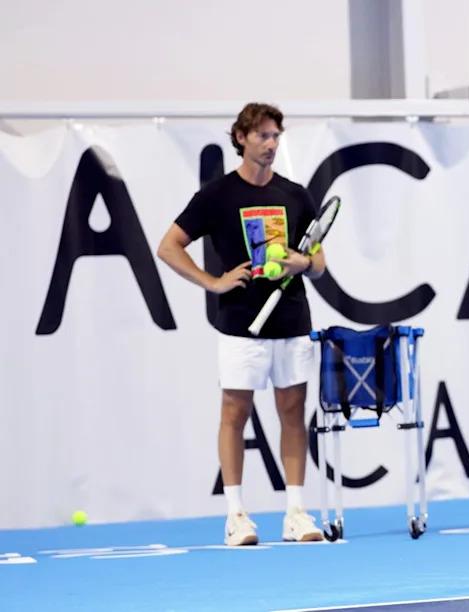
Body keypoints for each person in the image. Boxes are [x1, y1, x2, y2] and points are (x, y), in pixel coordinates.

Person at [157, 102, 326, 546]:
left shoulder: (295, 195)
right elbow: (169, 246)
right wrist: (212, 282)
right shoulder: (217, 196)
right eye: (262, 137)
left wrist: (301, 261)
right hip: (239, 324)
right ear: (241, 138)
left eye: (275, 137)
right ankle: (236, 515)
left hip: (291, 321)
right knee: (235, 413)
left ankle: (295, 512)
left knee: (293, 414)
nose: (270, 145)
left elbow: (320, 263)